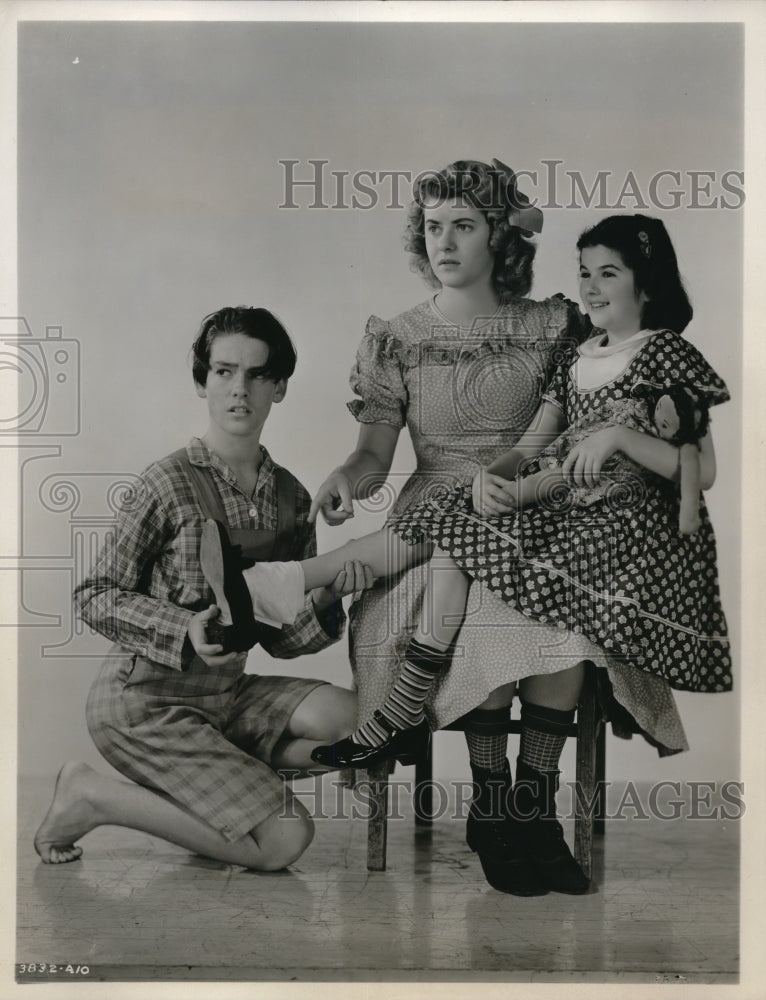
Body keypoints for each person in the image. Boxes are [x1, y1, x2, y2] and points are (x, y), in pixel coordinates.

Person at [202, 213, 732, 896]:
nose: (444, 242)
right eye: (432, 227)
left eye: (464, 226)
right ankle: (493, 798)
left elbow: (671, 454)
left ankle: (525, 806)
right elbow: (376, 455)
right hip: (482, 516)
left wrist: (538, 474)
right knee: (460, 541)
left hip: (562, 522)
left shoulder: (560, 327)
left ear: (502, 239)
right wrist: (349, 478)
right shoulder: (401, 336)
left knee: (538, 611)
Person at [33, 305, 373, 871]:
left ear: (280, 387)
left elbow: (284, 641)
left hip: (226, 696)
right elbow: (92, 593)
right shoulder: (166, 482)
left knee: (359, 719)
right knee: (285, 842)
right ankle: (91, 795)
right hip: (143, 702)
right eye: (223, 371)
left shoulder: (290, 498)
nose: (240, 389)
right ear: (202, 381)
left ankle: (224, 785)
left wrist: (330, 595)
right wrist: (181, 626)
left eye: (257, 375)